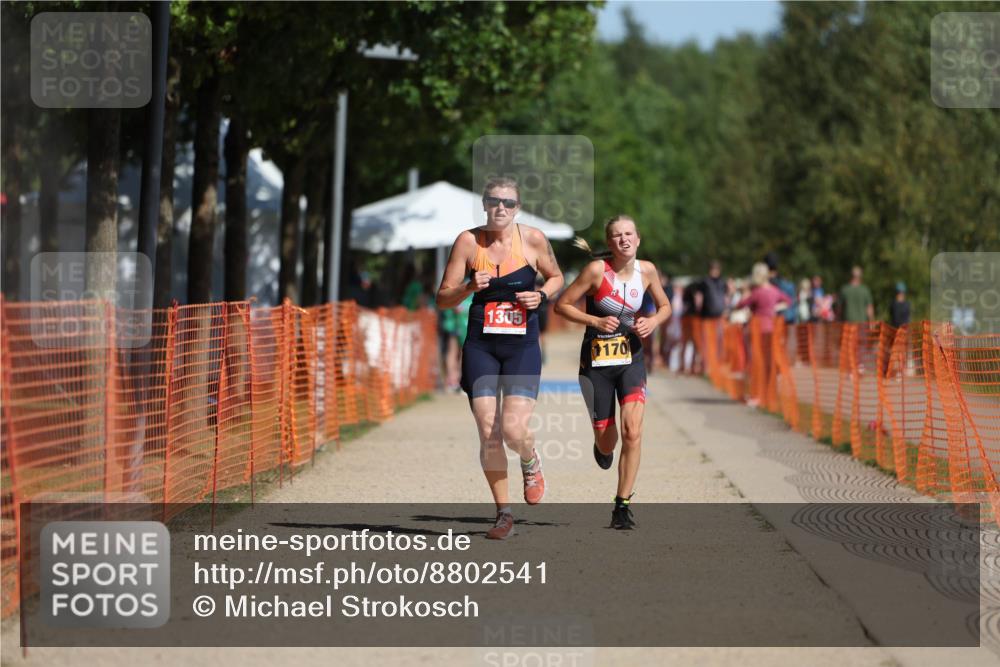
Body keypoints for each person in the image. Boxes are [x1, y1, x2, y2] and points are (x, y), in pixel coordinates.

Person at [435, 177, 563, 540]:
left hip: (521, 345)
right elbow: (443, 298)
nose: (501, 207)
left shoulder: (533, 240)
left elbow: (556, 276)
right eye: (494, 201)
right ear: (485, 205)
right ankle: (503, 513)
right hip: (481, 345)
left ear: (517, 208)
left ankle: (530, 459)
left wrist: (542, 295)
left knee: (512, 429)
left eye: (508, 202)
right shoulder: (467, 242)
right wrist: (467, 288)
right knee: (488, 430)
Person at [555, 215, 672, 530]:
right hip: (596, 362)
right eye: (617, 235)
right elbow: (561, 305)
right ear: (610, 243)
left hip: (630, 357)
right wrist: (594, 322)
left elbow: (665, 307)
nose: (624, 239)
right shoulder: (596, 272)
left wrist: (653, 322)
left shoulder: (647, 271)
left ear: (638, 238)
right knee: (608, 442)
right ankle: (601, 445)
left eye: (629, 234)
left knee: (633, 431)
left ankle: (622, 505)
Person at [736, 262, 793, 407]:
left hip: (757, 331)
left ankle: (757, 395)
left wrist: (744, 292)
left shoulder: (757, 292)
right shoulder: (774, 290)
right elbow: (789, 301)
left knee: (757, 363)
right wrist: (776, 307)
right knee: (768, 363)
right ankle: (768, 394)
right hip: (772, 329)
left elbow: (741, 304)